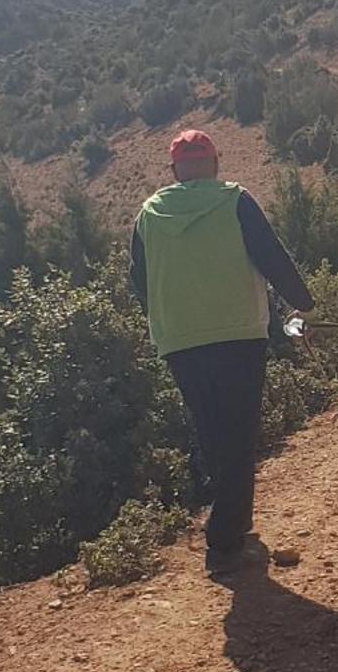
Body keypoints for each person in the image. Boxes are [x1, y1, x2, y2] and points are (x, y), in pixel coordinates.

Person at [129, 129, 314, 578]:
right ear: (215, 163)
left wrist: (167, 321)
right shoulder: (234, 200)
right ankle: (224, 543)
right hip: (237, 334)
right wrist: (304, 304)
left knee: (212, 431)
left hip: (180, 341)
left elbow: (140, 281)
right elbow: (271, 256)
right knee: (239, 432)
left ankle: (235, 525)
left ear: (175, 171)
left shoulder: (149, 214)